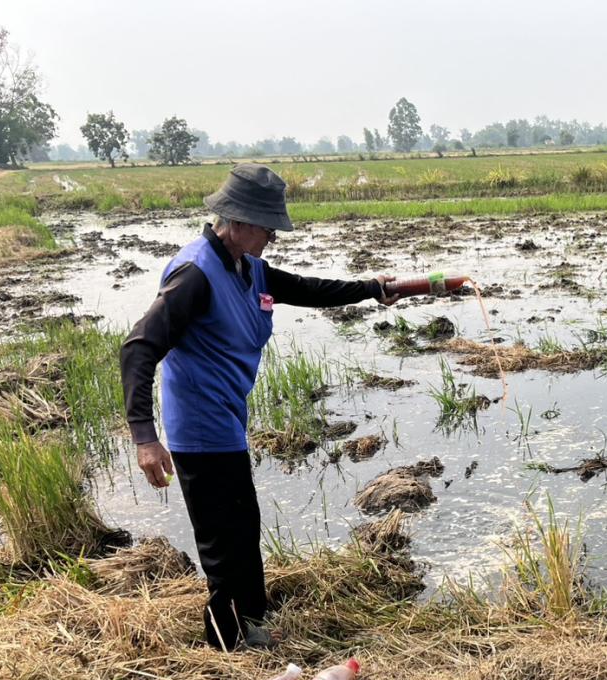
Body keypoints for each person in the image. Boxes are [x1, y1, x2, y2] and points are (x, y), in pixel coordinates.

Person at [119, 163, 398, 651]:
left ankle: (248, 623)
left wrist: (372, 288)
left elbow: (309, 289)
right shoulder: (195, 275)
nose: (272, 234)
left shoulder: (248, 267)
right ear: (238, 221)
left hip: (226, 422)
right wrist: (145, 436)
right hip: (199, 428)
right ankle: (226, 644)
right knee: (223, 542)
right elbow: (140, 347)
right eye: (267, 226)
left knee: (243, 527)